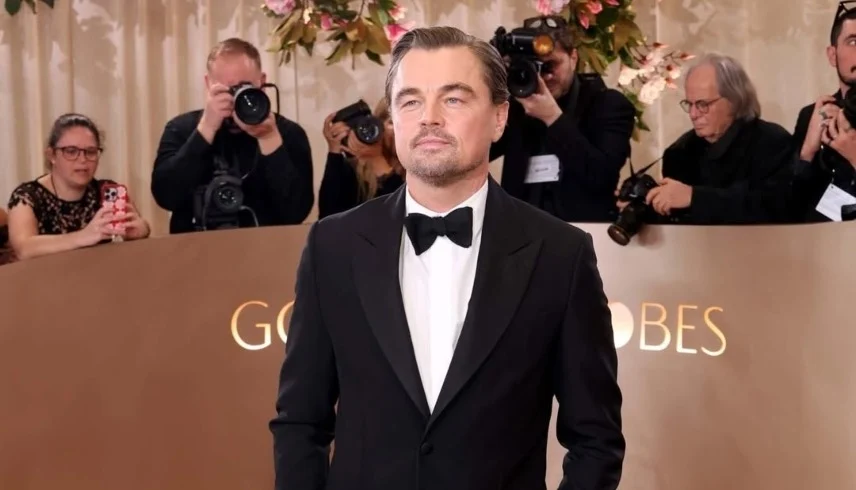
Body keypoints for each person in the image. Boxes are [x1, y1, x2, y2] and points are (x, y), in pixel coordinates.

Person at [270, 26, 624, 490]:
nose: (429, 118)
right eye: (410, 101)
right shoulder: (332, 245)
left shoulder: (561, 253)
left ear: (499, 117)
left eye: (453, 99)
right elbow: (301, 421)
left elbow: (595, 439)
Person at [151, 37, 314, 233]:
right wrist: (206, 129)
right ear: (208, 84)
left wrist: (269, 139)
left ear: (262, 82)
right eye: (227, 89)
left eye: (245, 87)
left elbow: (295, 213)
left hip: (266, 248)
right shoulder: (181, 129)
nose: (236, 97)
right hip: (195, 248)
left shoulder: (288, 133)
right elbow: (166, 197)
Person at [618, 54, 794, 224]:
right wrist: (646, 208)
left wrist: (694, 197)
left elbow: (774, 207)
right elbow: (677, 223)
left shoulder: (773, 143)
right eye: (690, 104)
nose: (693, 114)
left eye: (703, 104)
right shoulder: (679, 152)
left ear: (734, 100)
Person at [491, 15, 635, 223]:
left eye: (551, 65)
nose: (544, 76)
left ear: (573, 58)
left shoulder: (607, 104)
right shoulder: (516, 107)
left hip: (583, 231)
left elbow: (602, 177)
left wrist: (552, 118)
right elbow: (476, 152)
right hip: (520, 230)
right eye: (535, 67)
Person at [6, 113, 150, 261]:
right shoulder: (27, 196)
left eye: (90, 152)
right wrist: (83, 236)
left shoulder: (108, 190)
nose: (82, 160)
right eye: (71, 151)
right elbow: (24, 249)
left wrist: (142, 230)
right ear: (52, 155)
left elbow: (138, 230)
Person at [791, 3, 856, 222]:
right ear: (832, 55)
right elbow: (789, 207)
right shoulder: (813, 115)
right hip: (817, 238)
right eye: (853, 41)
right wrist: (807, 152)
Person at [318, 98, 404, 218]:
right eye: (392, 122)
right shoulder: (355, 169)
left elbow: (400, 217)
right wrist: (335, 153)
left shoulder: (421, 171)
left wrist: (377, 161)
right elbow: (328, 217)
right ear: (378, 125)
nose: (400, 130)